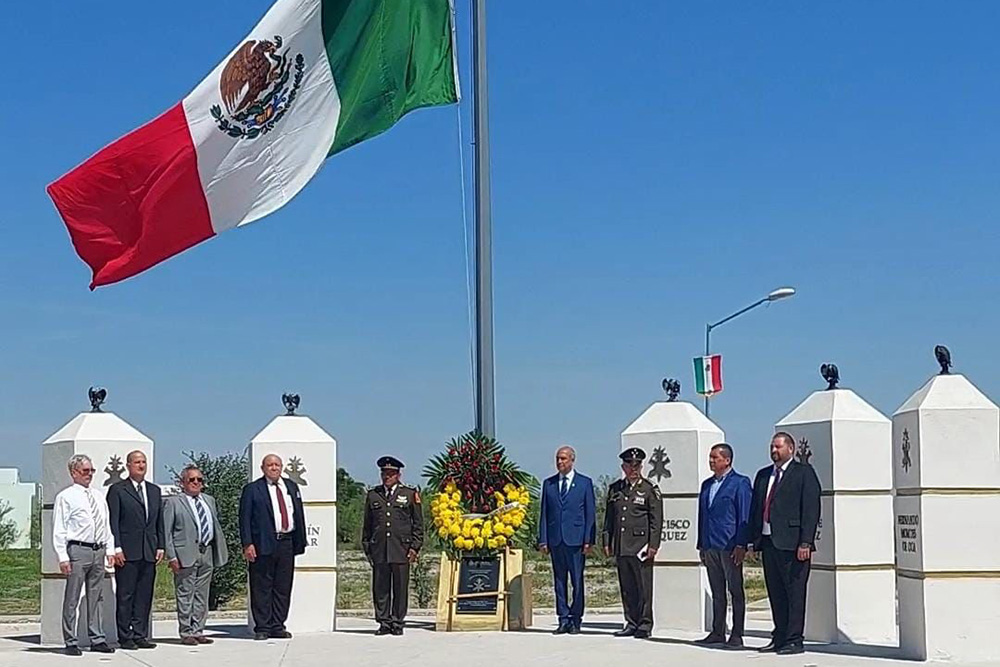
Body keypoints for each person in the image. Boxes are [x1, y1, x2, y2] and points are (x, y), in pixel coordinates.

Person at [748, 432, 821, 656]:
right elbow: (755, 510)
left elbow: (811, 509)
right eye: (772, 447)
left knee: (795, 593)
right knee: (776, 592)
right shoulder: (762, 475)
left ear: (791, 448)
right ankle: (779, 636)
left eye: (778, 447)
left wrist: (806, 542)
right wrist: (752, 541)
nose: (774, 451)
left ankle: (794, 639)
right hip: (769, 542)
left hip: (793, 544)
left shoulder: (803, 473)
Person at [52, 454, 116, 656]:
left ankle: (97, 637)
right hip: (78, 550)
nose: (89, 475)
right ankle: (70, 640)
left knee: (96, 596)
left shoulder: (98, 495)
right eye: (85, 471)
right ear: (74, 472)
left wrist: (110, 549)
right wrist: (62, 556)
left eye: (91, 470)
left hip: (98, 549)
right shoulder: (66, 496)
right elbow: (59, 528)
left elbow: (106, 524)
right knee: (72, 596)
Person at [239, 454, 307, 640]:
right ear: (263, 468)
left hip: (287, 542)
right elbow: (244, 519)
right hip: (262, 544)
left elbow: (298, 515)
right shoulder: (253, 489)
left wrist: (300, 540)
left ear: (282, 467)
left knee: (283, 587)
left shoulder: (291, 487)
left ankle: (278, 625)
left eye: (277, 464)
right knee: (261, 586)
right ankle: (262, 627)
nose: (274, 468)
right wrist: (247, 543)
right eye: (270, 465)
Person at [163, 465, 229, 646]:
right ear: (183, 482)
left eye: (199, 479)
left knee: (202, 594)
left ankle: (198, 630)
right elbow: (166, 532)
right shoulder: (174, 502)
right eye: (192, 479)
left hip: (206, 551)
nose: (196, 483)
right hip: (185, 554)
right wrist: (172, 557)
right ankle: (186, 632)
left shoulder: (209, 500)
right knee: (185, 594)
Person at [695, 443, 752, 649]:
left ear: (727, 460)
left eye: (715, 457)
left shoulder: (740, 483)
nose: (711, 461)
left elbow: (744, 515)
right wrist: (701, 544)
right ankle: (717, 631)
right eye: (710, 457)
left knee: (735, 590)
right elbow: (703, 515)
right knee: (717, 590)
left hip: (730, 545)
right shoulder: (706, 485)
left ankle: (737, 634)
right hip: (711, 545)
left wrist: (741, 544)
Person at [603, 448, 662, 640]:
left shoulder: (649, 489)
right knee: (627, 587)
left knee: (644, 587)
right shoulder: (616, 489)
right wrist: (607, 541)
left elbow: (656, 520)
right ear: (623, 467)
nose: (633, 468)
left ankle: (645, 624)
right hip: (621, 545)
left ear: (641, 466)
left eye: (636, 465)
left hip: (641, 546)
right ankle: (631, 621)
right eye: (629, 465)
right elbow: (609, 518)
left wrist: (653, 545)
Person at [107, 450, 164, 650]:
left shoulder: (154, 490)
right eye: (137, 462)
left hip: (148, 550)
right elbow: (113, 521)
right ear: (128, 466)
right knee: (126, 595)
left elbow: (158, 521)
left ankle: (140, 634)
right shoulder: (118, 490)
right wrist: (116, 547)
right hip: (127, 551)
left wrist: (160, 545)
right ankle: (125, 636)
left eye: (144, 462)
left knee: (144, 595)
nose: (141, 465)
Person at [361, 456, 423, 636]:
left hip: (401, 549)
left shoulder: (409, 494)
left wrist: (415, 547)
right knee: (381, 588)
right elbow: (367, 525)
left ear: (398, 475)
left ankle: (397, 622)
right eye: (384, 473)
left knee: (400, 587)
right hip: (380, 548)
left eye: (390, 473)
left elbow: (418, 524)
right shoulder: (373, 494)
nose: (387, 477)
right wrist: (368, 548)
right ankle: (384, 622)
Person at [538, 445, 596, 635]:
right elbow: (544, 514)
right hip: (556, 540)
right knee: (559, 581)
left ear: (572, 460)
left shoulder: (584, 483)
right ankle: (563, 618)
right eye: (557, 459)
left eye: (563, 458)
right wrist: (543, 539)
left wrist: (589, 539)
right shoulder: (549, 484)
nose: (560, 462)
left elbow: (590, 513)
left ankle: (576, 618)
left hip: (576, 540)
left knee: (577, 581)